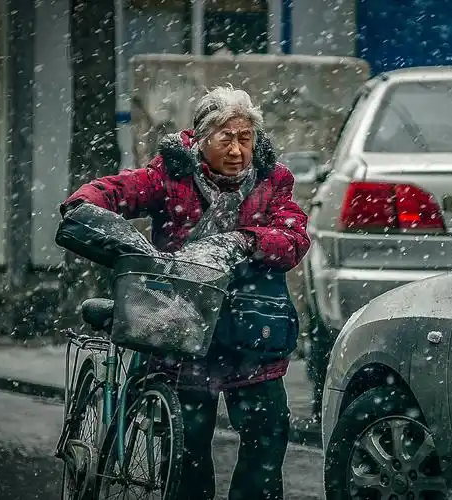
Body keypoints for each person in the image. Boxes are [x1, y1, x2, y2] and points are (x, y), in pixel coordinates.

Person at [59, 85, 310, 499]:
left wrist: (245, 240)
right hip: (184, 328)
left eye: (245, 138)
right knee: (188, 452)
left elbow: (293, 238)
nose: (237, 150)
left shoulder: (272, 180)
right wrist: (85, 205)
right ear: (201, 138)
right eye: (225, 138)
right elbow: (119, 189)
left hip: (251, 331)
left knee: (266, 442)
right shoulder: (171, 175)